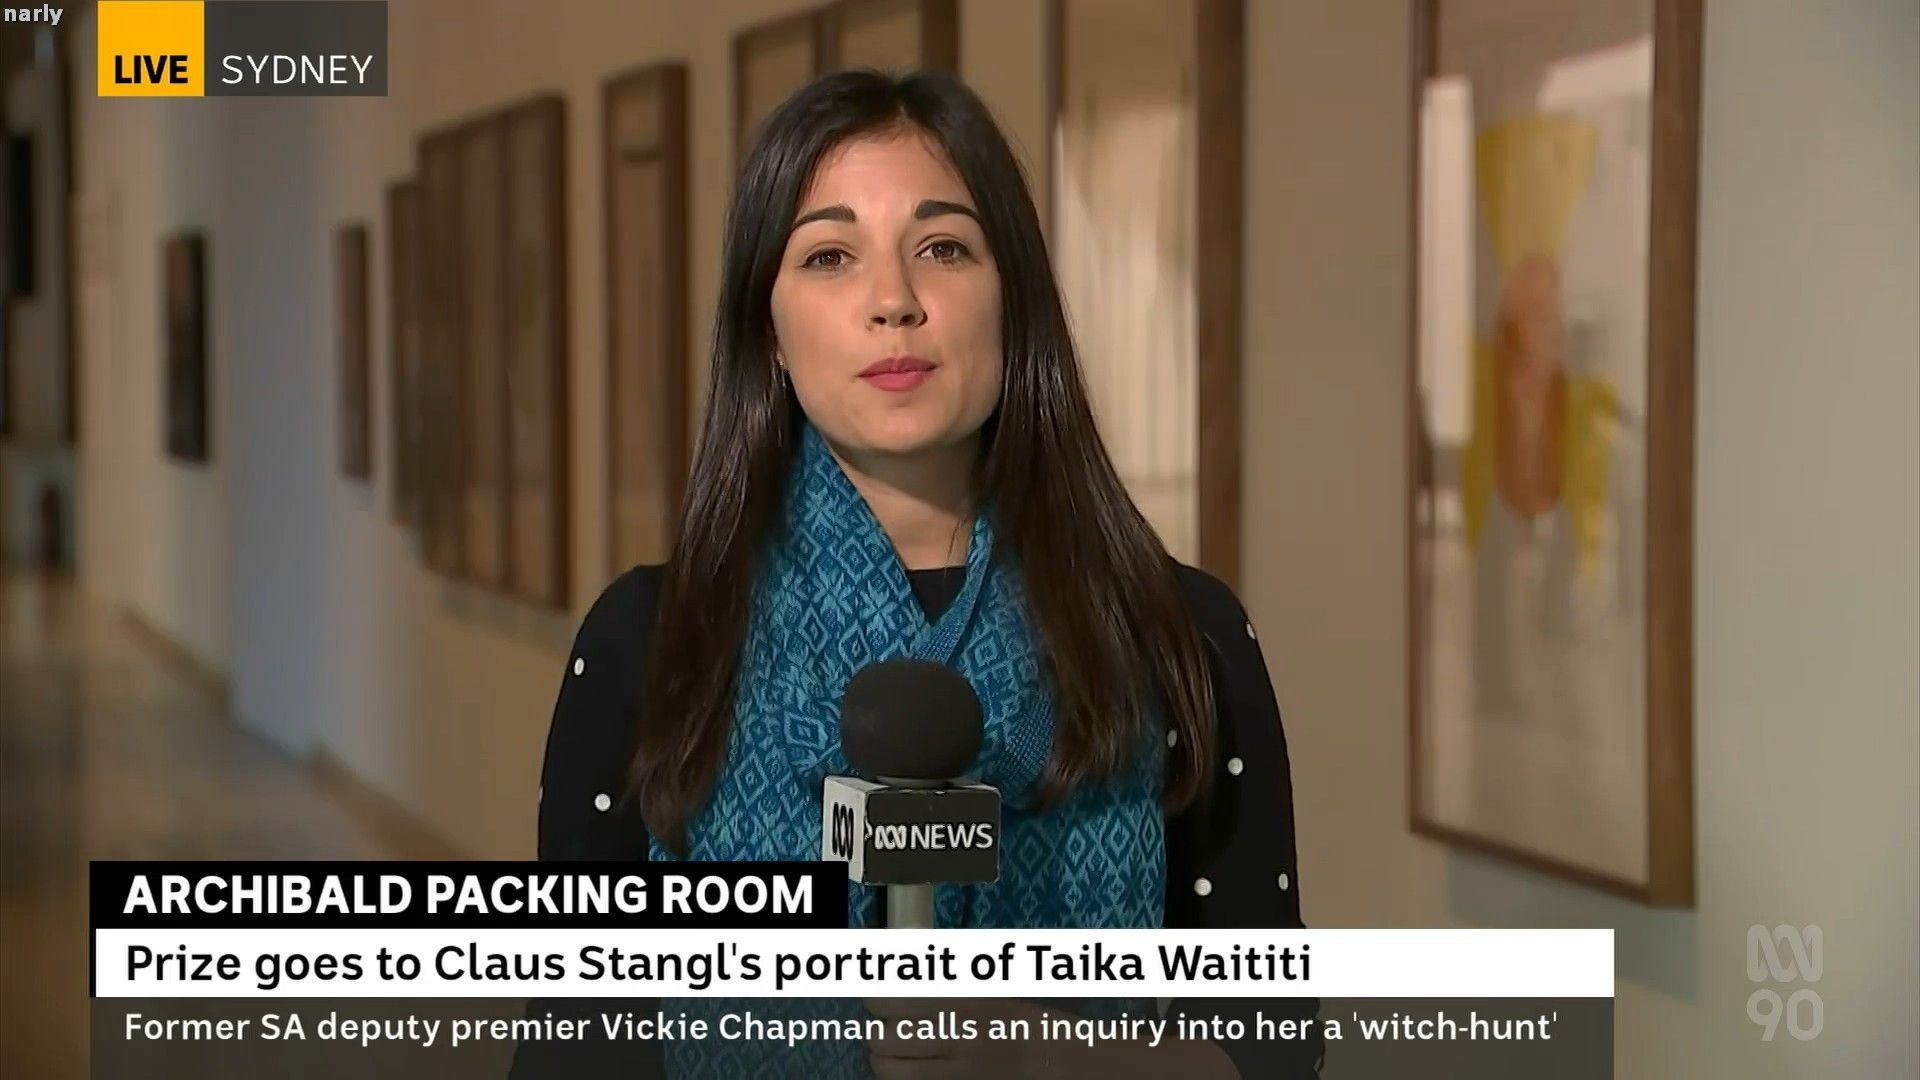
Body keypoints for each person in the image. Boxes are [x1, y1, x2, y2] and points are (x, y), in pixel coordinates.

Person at [512, 69, 1319, 1079]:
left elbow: (1271, 1044)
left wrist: (1039, 1053)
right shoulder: (652, 639)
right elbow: (577, 1046)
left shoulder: (1177, 631)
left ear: (1013, 297)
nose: (894, 302)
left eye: (942, 248)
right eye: (830, 256)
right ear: (768, 329)